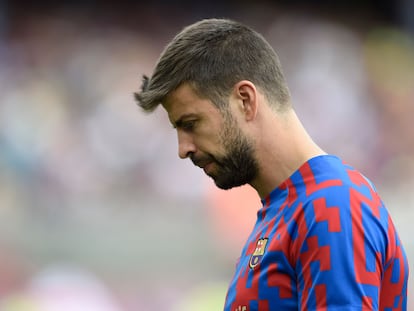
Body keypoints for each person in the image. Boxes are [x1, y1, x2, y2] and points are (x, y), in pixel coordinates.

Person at [134, 18, 409, 311]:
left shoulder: (332, 203)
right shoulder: (286, 209)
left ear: (245, 100)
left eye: (191, 123)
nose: (183, 148)